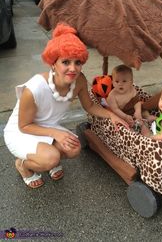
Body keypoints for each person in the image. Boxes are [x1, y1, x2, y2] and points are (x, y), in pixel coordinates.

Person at [4, 23, 128, 189]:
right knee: (51, 158)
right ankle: (24, 166)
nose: (73, 68)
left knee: (74, 149)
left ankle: (46, 155)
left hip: (47, 126)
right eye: (65, 62)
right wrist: (56, 133)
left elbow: (90, 105)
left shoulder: (80, 80)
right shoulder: (34, 88)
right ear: (53, 63)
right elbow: (24, 125)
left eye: (78, 62)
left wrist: (112, 115)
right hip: (20, 132)